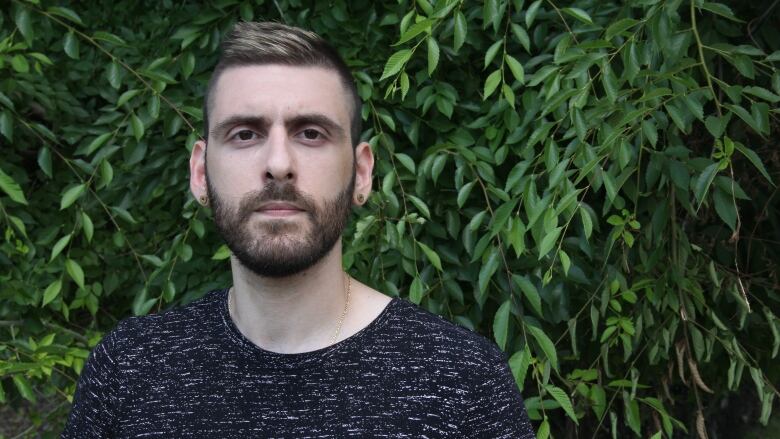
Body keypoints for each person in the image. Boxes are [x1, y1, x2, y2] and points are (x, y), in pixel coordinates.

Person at [62, 21, 535, 438]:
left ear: (362, 173)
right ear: (201, 173)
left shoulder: (460, 380)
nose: (278, 165)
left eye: (311, 133)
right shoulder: (130, 370)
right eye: (245, 133)